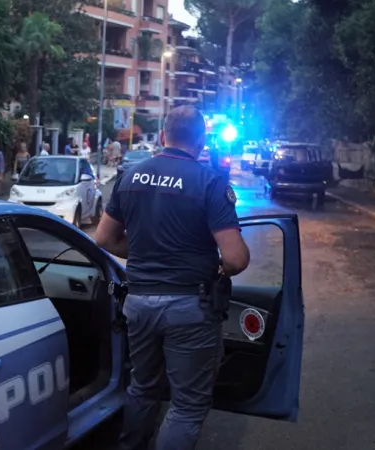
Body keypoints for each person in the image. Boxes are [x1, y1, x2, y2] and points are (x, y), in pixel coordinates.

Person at [94, 105, 250, 450]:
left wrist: (146, 252)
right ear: (202, 141)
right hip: (189, 308)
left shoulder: (131, 177)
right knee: (187, 406)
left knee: (142, 387)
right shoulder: (209, 182)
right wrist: (215, 264)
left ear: (163, 135)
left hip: (138, 303)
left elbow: (103, 238)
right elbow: (236, 258)